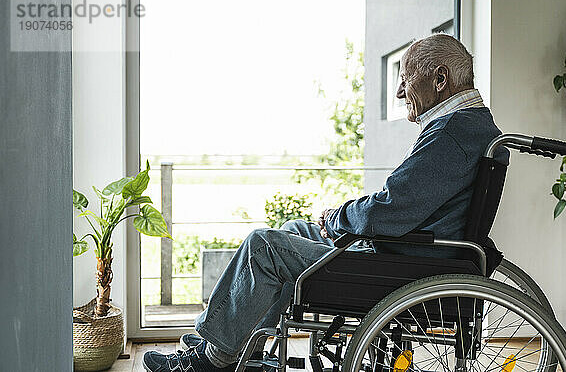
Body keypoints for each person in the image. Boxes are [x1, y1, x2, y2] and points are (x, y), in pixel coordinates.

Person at [142, 33, 509, 372]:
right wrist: (344, 218)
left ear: (440, 79)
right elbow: (404, 202)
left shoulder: (452, 133)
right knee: (292, 230)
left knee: (264, 246)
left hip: (399, 265)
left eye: (406, 78)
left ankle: (212, 359)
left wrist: (337, 217)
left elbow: (391, 210)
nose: (399, 92)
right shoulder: (471, 127)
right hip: (409, 255)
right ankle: (244, 349)